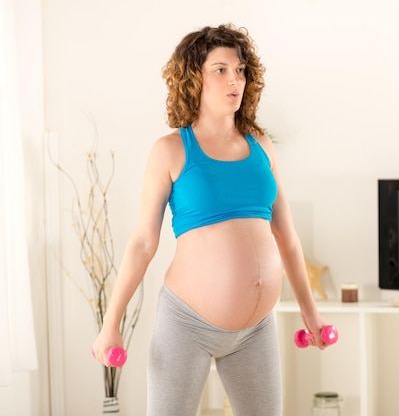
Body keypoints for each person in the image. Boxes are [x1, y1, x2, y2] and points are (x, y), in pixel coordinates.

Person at [92, 23, 328, 416]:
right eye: (220, 69)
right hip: (187, 325)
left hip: (256, 329)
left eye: (239, 70)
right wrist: (110, 322)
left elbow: (286, 236)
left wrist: (310, 311)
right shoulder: (170, 150)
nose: (234, 79)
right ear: (193, 78)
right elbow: (143, 242)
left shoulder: (260, 145)